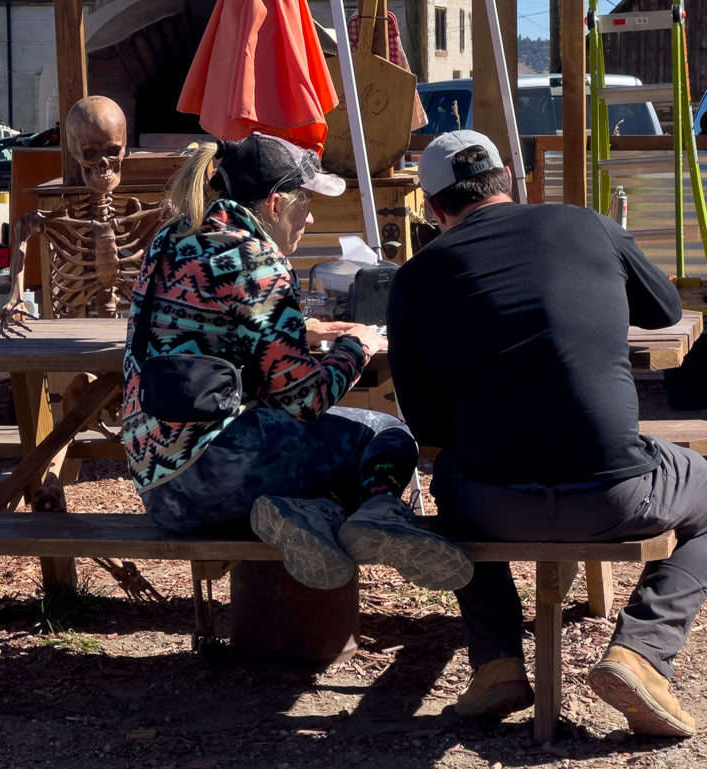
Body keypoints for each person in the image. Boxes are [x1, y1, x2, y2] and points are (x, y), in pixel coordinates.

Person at [387, 129, 707, 737]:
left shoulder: (416, 277)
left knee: (451, 479)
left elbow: (426, 428)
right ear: (510, 177)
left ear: (432, 210)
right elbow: (665, 310)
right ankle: (641, 651)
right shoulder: (585, 224)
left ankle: (497, 666)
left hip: (492, 506)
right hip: (617, 496)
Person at [121, 131, 474, 593]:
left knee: (325, 448)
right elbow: (306, 400)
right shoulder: (255, 256)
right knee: (386, 433)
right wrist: (360, 345)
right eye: (305, 203)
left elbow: (197, 320)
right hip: (223, 477)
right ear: (274, 204)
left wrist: (300, 331)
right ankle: (378, 514)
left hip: (160, 491)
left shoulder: (175, 236)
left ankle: (310, 512)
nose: (310, 218)